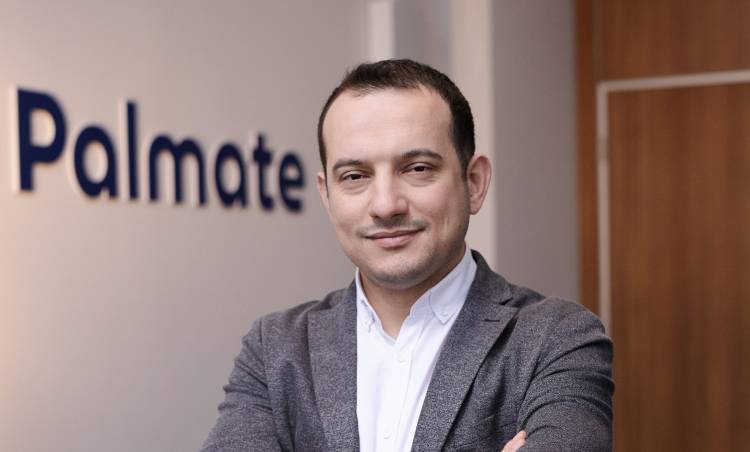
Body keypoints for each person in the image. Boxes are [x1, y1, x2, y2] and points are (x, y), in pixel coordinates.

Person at [201, 59, 613, 452]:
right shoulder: (275, 348)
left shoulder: (555, 338)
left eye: (417, 168)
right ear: (326, 195)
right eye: (355, 176)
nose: (385, 205)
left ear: (474, 182)